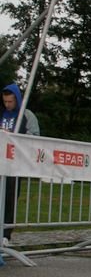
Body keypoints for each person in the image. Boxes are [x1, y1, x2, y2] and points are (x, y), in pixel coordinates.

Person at [1, 83, 40, 247]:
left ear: (17, 99)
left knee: (10, 198)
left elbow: (35, 136)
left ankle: (6, 235)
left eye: (10, 101)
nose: (7, 105)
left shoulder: (26, 115)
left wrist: (15, 137)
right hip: (1, 161)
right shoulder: (2, 113)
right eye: (5, 101)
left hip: (15, 164)